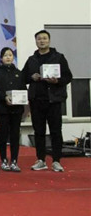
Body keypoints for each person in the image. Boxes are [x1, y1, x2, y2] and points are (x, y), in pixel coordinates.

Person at [22, 30, 73, 172]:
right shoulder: (31, 59)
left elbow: (68, 77)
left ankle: (56, 160)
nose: (42, 41)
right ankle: (41, 160)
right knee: (39, 131)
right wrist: (31, 77)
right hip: (36, 100)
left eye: (44, 38)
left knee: (56, 131)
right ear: (36, 41)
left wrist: (57, 81)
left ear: (49, 40)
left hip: (54, 100)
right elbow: (23, 77)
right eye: (39, 39)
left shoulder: (58, 57)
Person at [0, 47, 26, 172]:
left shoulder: (19, 73)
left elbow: (23, 89)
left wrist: (21, 98)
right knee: (3, 134)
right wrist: (4, 97)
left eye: (10, 55)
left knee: (15, 135)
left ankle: (14, 161)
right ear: (1, 58)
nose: (8, 57)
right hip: (2, 109)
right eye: (5, 55)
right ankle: (3, 160)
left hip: (17, 109)